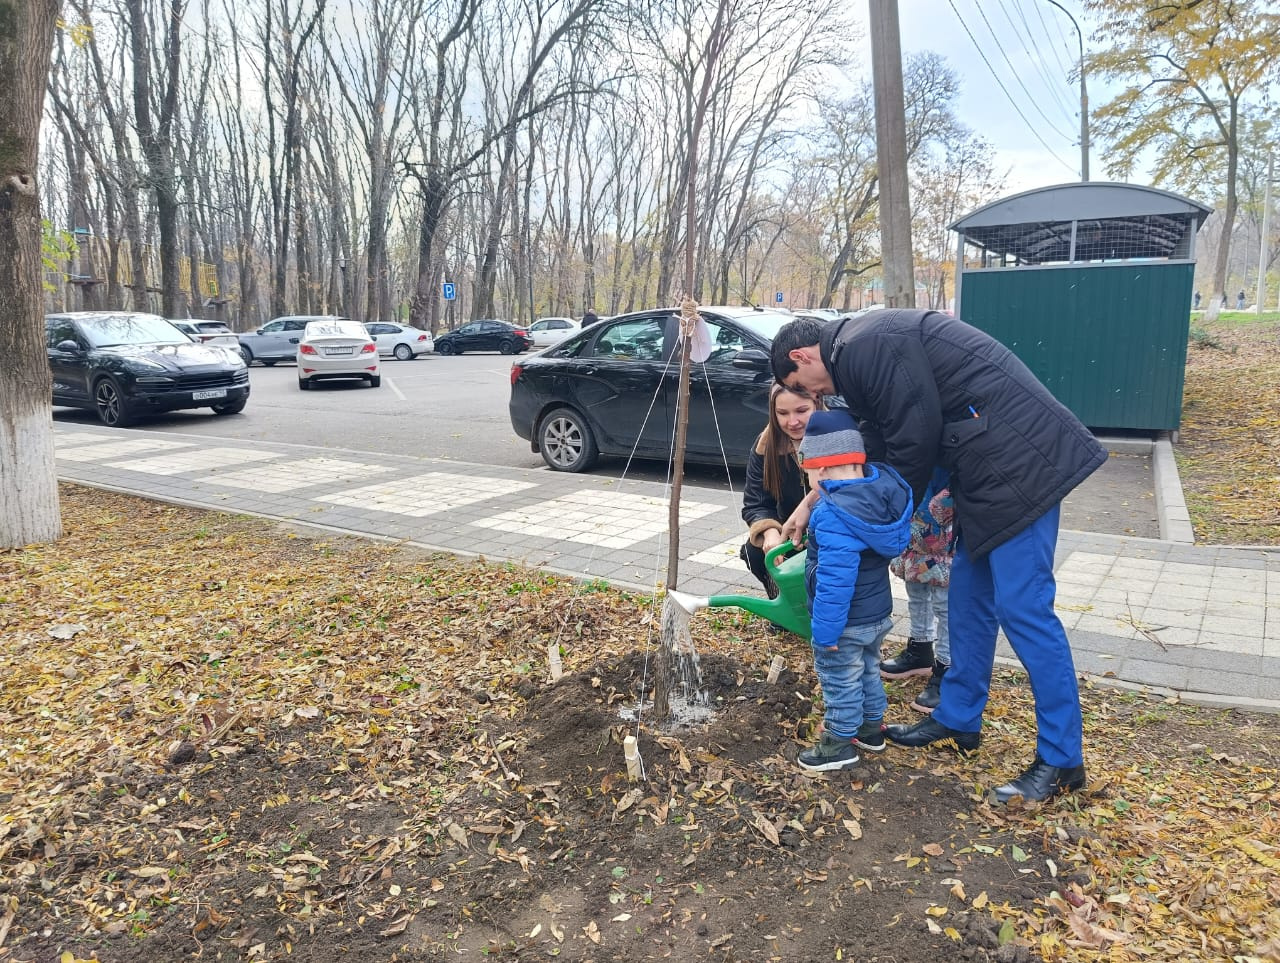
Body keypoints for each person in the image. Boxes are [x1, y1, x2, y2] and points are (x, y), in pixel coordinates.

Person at [770, 310, 1107, 803]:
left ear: (800, 358)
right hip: (985, 473)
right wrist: (812, 501)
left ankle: (1061, 761)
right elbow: (880, 442)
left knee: (1024, 610)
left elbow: (914, 436)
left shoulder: (866, 346)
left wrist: (882, 519)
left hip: (1022, 468)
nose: (816, 398)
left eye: (806, 387)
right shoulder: (859, 352)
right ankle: (959, 719)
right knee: (969, 599)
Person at [793, 409, 913, 772]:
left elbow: (835, 581)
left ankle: (839, 743)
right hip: (876, 614)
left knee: (840, 679)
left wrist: (826, 632)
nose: (812, 483)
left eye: (810, 473)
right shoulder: (880, 496)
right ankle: (871, 729)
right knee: (868, 670)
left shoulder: (832, 514)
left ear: (824, 469)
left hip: (844, 622)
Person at [883, 470, 954, 715]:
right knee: (916, 583)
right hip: (916, 501)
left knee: (945, 601)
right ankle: (921, 648)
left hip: (948, 501)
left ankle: (948, 667)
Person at [740, 384, 820, 597]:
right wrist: (770, 532)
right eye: (782, 413)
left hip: (831, 530)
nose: (792, 422)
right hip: (790, 533)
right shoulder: (765, 445)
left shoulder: (838, 436)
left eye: (802, 411)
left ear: (817, 404)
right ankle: (784, 603)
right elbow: (755, 502)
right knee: (754, 553)